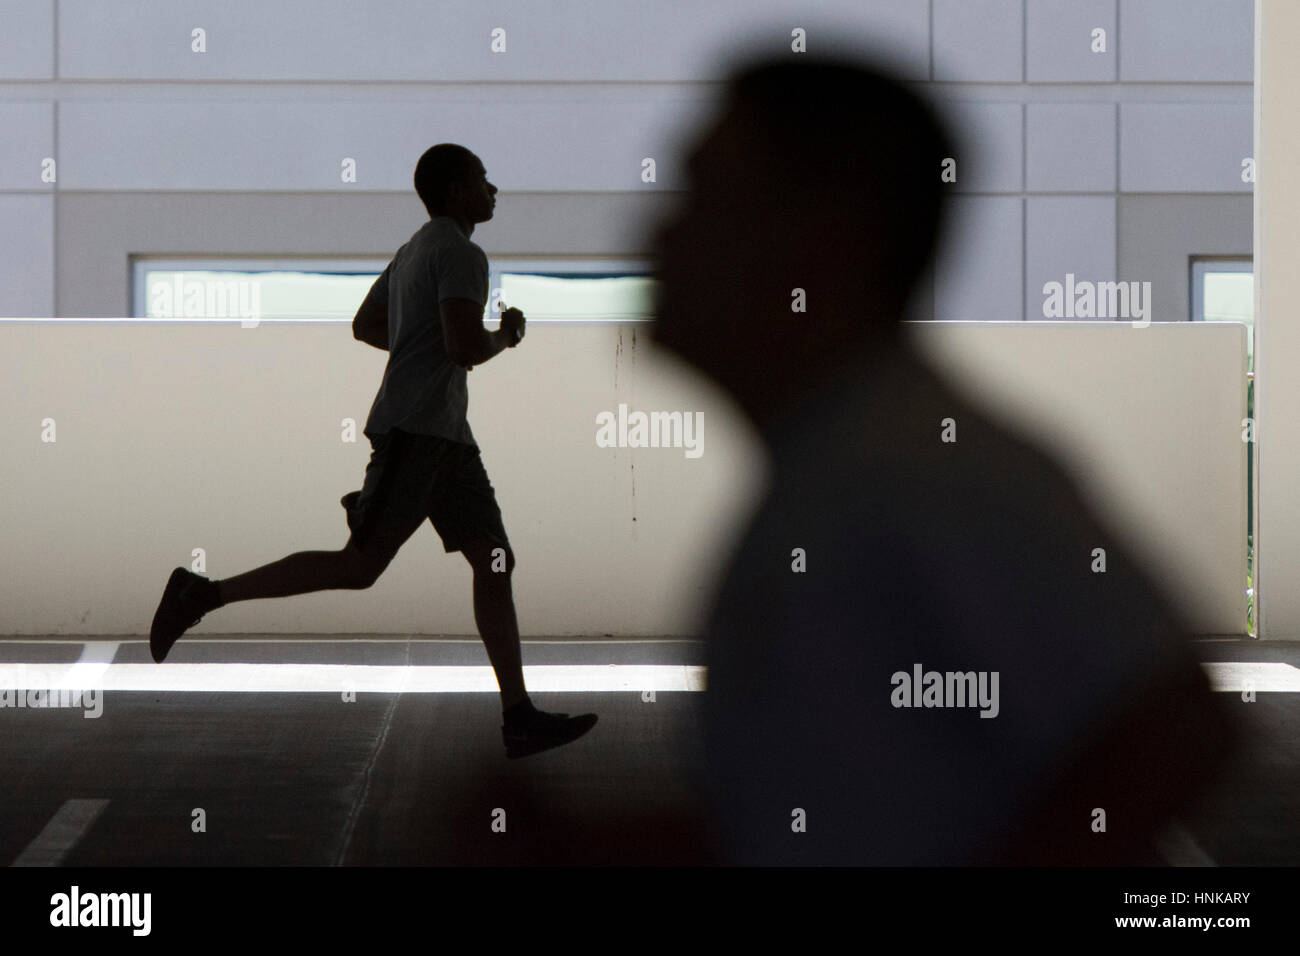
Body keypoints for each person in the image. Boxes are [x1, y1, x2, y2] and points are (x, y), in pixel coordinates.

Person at [648, 55, 1239, 864]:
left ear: (821, 243)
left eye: (702, 197)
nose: (658, 233)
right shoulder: (847, 469)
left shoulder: (916, 476)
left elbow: (1177, 729)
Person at [149, 144, 597, 760]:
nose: (495, 190)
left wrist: (419, 343)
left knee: (494, 559)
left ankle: (518, 716)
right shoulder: (462, 253)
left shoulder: (413, 250)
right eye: (483, 180)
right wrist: (507, 336)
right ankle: (201, 594)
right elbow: (466, 348)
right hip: (416, 434)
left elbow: (365, 325)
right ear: (456, 190)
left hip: (446, 440)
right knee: (358, 568)